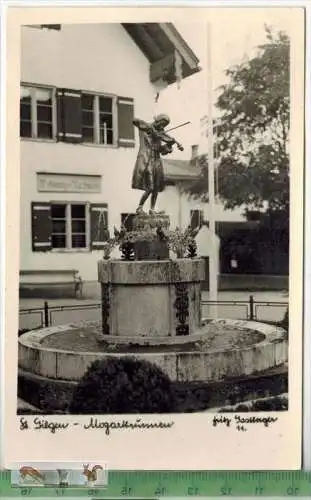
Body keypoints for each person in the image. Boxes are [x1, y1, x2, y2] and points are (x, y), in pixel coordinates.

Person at [131, 114, 183, 214]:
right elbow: (134, 120)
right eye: (162, 123)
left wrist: (168, 146)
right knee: (150, 187)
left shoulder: (159, 133)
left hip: (157, 160)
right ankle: (140, 207)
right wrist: (151, 129)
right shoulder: (146, 128)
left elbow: (160, 150)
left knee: (156, 186)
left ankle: (152, 209)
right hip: (147, 159)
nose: (162, 127)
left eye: (164, 125)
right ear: (158, 121)